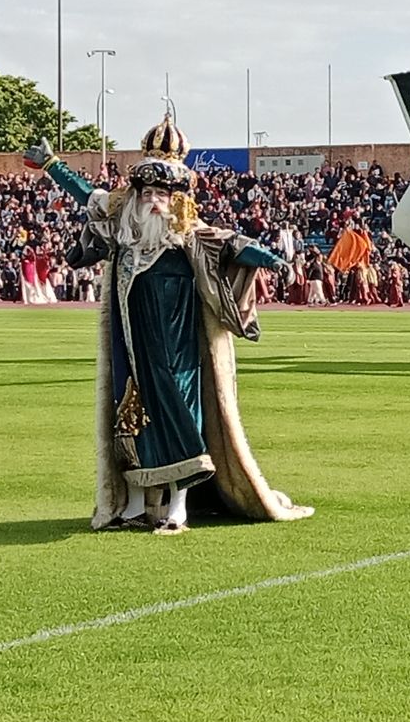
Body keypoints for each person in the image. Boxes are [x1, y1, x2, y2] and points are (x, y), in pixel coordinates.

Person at [24, 117, 313, 534]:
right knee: (129, 414)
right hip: (130, 343)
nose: (154, 200)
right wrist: (52, 165)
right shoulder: (125, 232)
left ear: (176, 199)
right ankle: (138, 504)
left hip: (177, 351)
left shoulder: (191, 236)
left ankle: (179, 505)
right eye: (148, 193)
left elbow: (237, 246)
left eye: (163, 193)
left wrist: (274, 260)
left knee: (179, 412)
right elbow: (89, 196)